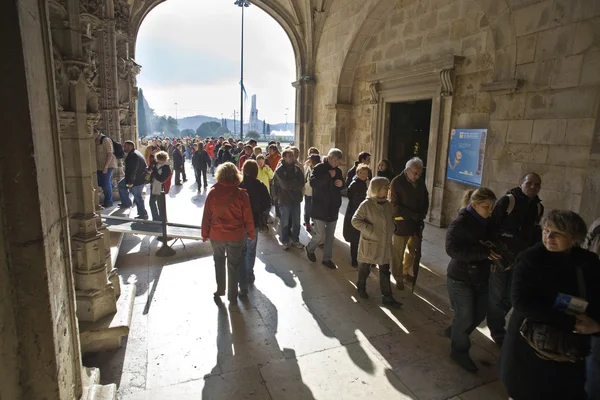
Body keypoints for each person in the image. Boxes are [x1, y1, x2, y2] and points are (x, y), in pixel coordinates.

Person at [500, 210, 600, 400]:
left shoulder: (589, 262)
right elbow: (522, 302)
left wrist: (596, 326)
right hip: (531, 347)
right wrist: (571, 323)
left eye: (557, 233)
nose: (549, 237)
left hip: (570, 352)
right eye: (546, 230)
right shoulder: (530, 259)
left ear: (573, 237)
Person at [445, 187, 498, 372]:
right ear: (474, 205)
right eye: (486, 207)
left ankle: (455, 331)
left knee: (479, 314)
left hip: (481, 276)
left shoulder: (487, 221)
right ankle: (459, 352)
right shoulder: (460, 223)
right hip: (460, 277)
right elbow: (452, 249)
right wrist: (482, 253)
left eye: (492, 207)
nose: (490, 211)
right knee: (466, 316)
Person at [487, 172, 544, 345]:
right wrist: (491, 251)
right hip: (500, 257)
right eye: (529, 183)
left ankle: (496, 320)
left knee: (511, 296)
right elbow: (491, 226)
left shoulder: (538, 207)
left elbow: (535, 233)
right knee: (497, 295)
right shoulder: (508, 201)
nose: (533, 187)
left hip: (520, 260)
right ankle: (496, 330)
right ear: (521, 183)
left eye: (537, 184)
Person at [201, 162, 255, 304]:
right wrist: (251, 233)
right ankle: (232, 297)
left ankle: (220, 289)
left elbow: (206, 215)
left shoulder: (212, 193)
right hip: (235, 235)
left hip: (217, 234)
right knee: (234, 265)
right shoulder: (241, 194)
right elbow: (248, 216)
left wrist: (204, 233)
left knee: (218, 260)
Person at [352, 177, 402, 308]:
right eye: (385, 187)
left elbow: (391, 218)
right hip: (370, 243)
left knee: (385, 270)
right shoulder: (366, 204)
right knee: (364, 268)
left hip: (384, 244)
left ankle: (387, 297)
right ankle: (361, 286)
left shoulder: (388, 204)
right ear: (377, 189)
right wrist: (369, 230)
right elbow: (355, 220)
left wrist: (394, 226)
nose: (388, 189)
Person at [390, 157, 429, 289]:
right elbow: (394, 206)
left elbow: (426, 199)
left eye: (420, 173)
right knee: (398, 252)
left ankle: (405, 272)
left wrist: (422, 214)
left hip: (416, 224)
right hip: (402, 223)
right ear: (407, 170)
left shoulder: (420, 182)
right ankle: (397, 276)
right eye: (415, 173)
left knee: (411, 250)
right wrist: (412, 214)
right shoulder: (397, 182)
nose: (417, 176)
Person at [305, 148, 345, 269]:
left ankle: (327, 259)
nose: (337, 164)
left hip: (333, 207)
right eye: (336, 161)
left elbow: (342, 184)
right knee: (320, 235)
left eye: (339, 162)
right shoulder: (318, 168)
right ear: (329, 158)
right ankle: (310, 248)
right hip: (320, 207)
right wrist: (328, 175)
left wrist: (341, 184)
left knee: (330, 236)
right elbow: (314, 183)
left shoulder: (337, 171)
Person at [238, 160, 271, 292]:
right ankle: (249, 274)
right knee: (251, 250)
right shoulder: (260, 185)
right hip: (254, 222)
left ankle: (241, 276)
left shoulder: (238, 185)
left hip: (239, 223)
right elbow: (267, 204)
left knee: (241, 250)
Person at [274, 149, 305, 250]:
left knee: (296, 221)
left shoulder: (297, 169)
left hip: (296, 200)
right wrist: (293, 183)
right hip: (284, 200)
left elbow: (301, 183)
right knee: (285, 222)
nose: (292, 157)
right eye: (290, 156)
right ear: (284, 157)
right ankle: (285, 240)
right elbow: (284, 184)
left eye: (293, 155)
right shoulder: (279, 171)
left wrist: (291, 185)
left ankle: (295, 239)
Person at [343, 163, 370, 266]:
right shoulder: (354, 184)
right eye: (361, 172)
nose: (363, 175)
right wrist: (368, 190)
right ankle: (354, 259)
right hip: (355, 213)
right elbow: (357, 201)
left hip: (364, 214)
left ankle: (365, 258)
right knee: (355, 239)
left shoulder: (366, 183)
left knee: (364, 237)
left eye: (365, 173)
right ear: (357, 172)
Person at [118, 140, 149, 219]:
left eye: (125, 146)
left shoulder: (134, 155)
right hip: (135, 177)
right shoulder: (134, 153)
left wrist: (131, 181)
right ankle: (127, 202)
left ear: (130, 146)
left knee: (137, 196)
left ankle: (143, 214)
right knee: (121, 185)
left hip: (137, 179)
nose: (124, 148)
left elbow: (134, 169)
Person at [93, 127, 118, 208]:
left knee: (105, 184)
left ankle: (108, 202)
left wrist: (106, 167)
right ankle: (111, 186)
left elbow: (110, 153)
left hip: (108, 166)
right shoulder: (96, 140)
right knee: (101, 182)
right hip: (99, 166)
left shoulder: (105, 140)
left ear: (96, 133)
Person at [148, 151, 171, 222]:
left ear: (164, 160)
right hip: (153, 185)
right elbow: (150, 168)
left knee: (161, 204)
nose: (158, 161)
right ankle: (155, 218)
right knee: (151, 202)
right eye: (157, 159)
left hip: (161, 187)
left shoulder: (166, 168)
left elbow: (161, 179)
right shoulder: (155, 163)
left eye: (159, 160)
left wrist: (153, 173)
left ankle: (163, 219)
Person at [303, 154, 321, 234]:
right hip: (308, 191)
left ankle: (315, 222)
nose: (308, 162)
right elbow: (305, 177)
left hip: (317, 192)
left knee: (316, 208)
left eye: (310, 160)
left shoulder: (319, 169)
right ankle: (307, 222)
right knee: (308, 208)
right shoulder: (307, 167)